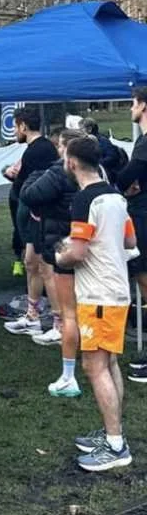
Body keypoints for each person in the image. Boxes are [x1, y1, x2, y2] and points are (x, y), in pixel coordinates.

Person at [57, 137, 136, 472]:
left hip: (98, 295)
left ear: (72, 162)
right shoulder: (116, 195)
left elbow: (77, 252)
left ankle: (116, 445)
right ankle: (112, 432)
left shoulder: (84, 200)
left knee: (94, 367)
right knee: (110, 363)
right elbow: (130, 240)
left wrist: (60, 252)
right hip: (116, 289)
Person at [21, 129, 84, 397]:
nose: (57, 151)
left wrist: (35, 175)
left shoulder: (58, 173)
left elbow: (30, 194)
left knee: (69, 308)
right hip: (85, 242)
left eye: (61, 147)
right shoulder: (101, 178)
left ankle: (70, 371)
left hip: (63, 239)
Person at [2, 107, 58, 337]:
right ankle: (32, 315)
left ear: (23, 126)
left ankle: (58, 323)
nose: (15, 131)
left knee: (45, 268)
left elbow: (27, 184)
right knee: (30, 263)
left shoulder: (39, 149)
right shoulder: (33, 149)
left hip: (39, 217)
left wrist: (14, 176)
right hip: (31, 217)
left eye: (15, 127)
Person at [117, 87, 147, 383]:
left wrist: (119, 183)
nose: (129, 109)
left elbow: (129, 173)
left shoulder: (144, 143)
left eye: (133, 104)